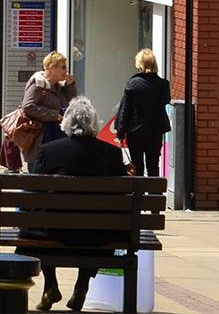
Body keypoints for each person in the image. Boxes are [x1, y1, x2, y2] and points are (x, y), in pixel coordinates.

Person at [19, 97, 126, 312]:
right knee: (98, 225)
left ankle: (50, 285)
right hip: (98, 235)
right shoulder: (112, 154)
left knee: (33, 225)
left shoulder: (49, 151)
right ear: (94, 124)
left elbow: (33, 195)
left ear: (66, 123)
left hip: (54, 231)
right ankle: (82, 285)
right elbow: (123, 196)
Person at [12, 52, 78, 173]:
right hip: (40, 139)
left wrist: (70, 86)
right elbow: (28, 106)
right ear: (52, 68)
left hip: (57, 138)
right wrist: (55, 116)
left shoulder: (59, 86)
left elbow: (73, 104)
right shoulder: (38, 84)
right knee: (36, 179)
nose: (66, 70)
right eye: (63, 67)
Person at [114, 49, 171, 178]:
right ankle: (154, 195)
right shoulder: (163, 84)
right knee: (153, 165)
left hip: (135, 132)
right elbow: (165, 101)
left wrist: (120, 134)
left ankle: (138, 196)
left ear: (139, 64)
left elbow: (125, 110)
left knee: (137, 166)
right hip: (155, 131)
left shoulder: (133, 84)